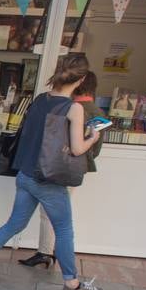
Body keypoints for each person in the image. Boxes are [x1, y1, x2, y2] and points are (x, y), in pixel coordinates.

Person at [0, 56, 104, 290]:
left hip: (26, 173)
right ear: (81, 80)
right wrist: (92, 136)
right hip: (49, 179)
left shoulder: (40, 100)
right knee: (63, 230)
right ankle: (71, 284)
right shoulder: (74, 108)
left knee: (14, 223)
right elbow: (77, 148)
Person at [21, 65, 101, 269]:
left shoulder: (71, 107)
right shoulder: (95, 111)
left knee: (53, 217)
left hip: (57, 166)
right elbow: (95, 148)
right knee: (59, 219)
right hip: (71, 167)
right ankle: (56, 260)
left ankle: (48, 254)